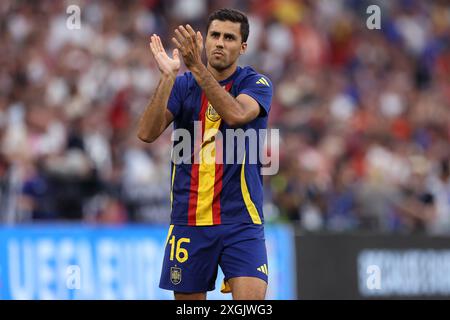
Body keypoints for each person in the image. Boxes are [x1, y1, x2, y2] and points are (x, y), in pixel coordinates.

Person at [138, 8, 273, 300]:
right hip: (189, 221)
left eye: (229, 37)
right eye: (215, 35)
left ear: (243, 47)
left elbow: (236, 114)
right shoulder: (184, 86)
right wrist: (167, 77)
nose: (220, 43)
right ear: (205, 39)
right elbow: (147, 133)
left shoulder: (255, 84)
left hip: (241, 221)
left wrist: (196, 67)